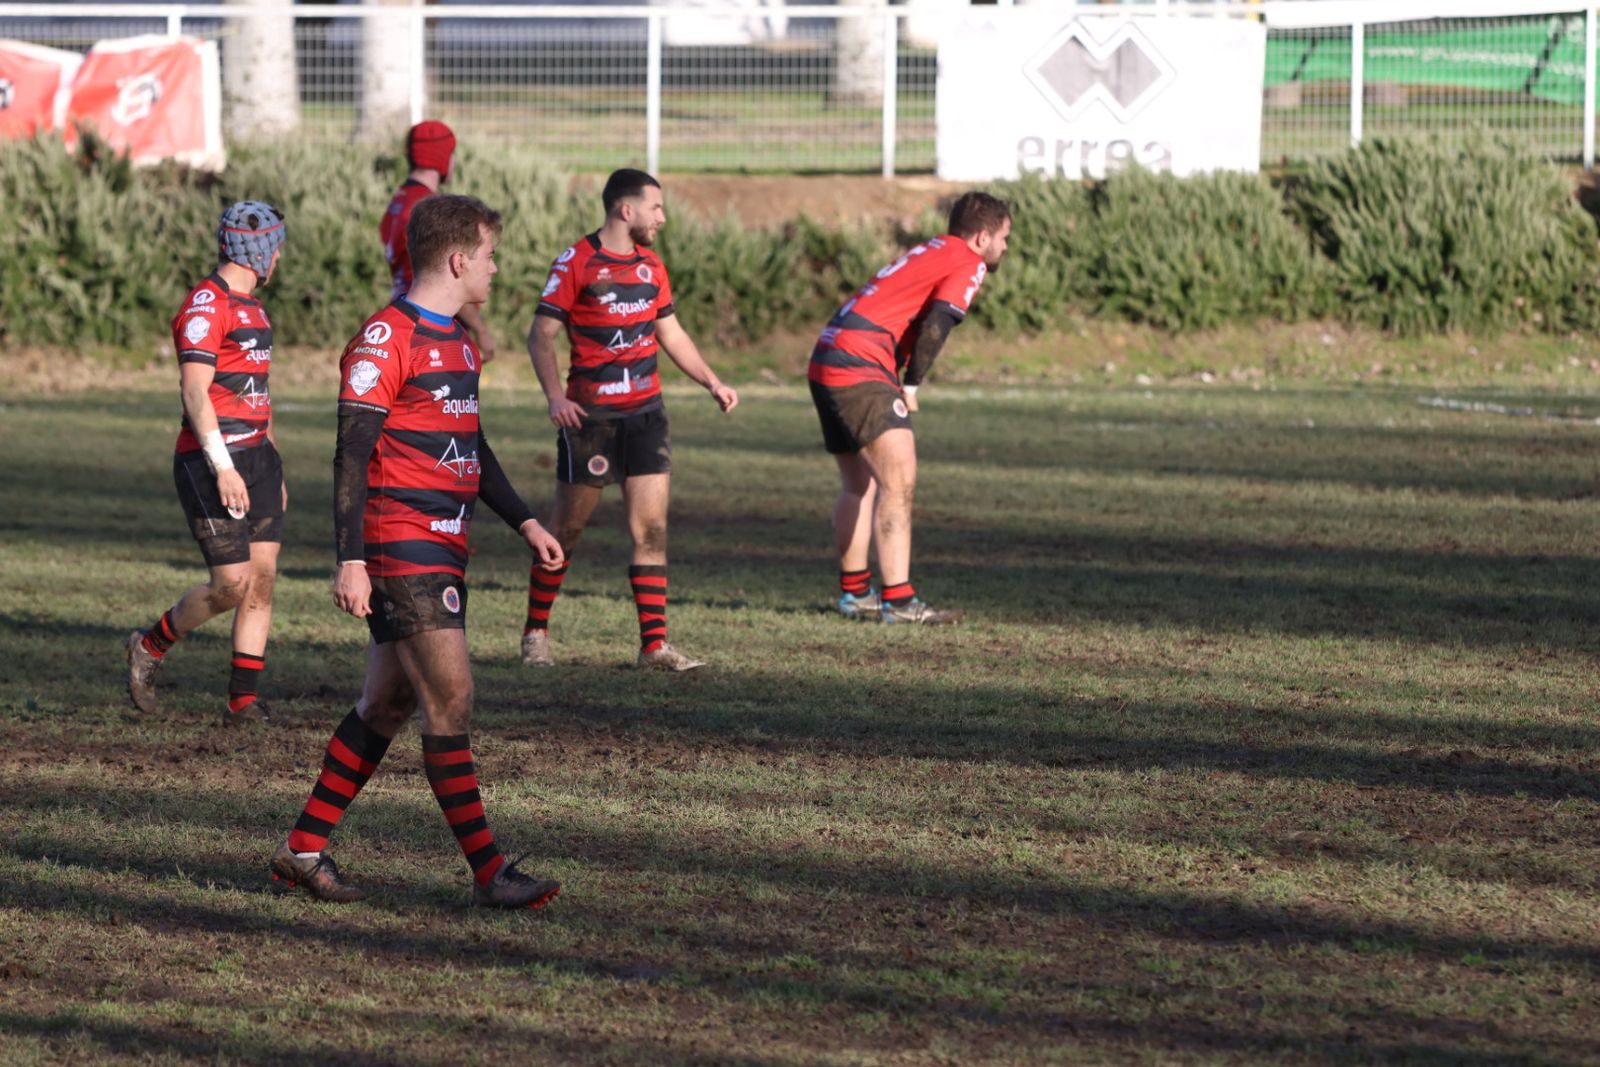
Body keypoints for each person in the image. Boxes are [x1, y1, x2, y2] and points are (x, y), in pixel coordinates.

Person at [270, 194, 565, 909]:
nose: (496, 267)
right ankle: (491, 872)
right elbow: (352, 453)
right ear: (460, 259)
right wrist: (350, 558)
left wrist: (524, 520)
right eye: (491, 255)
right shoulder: (386, 336)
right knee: (451, 697)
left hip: (445, 539)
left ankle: (302, 849)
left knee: (388, 700)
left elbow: (472, 440)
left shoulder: (461, 341)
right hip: (398, 542)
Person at [520, 168, 738, 671]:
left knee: (651, 530)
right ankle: (535, 633)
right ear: (626, 210)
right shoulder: (576, 262)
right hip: (590, 421)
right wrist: (556, 398)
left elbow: (672, 333)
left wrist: (712, 381)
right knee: (567, 530)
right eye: (655, 207)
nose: (662, 217)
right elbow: (541, 334)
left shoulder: (651, 266)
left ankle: (653, 646)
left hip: (646, 416)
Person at [807, 191, 1012, 624]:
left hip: (829, 352)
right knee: (898, 483)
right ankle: (898, 601)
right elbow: (939, 322)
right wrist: (912, 383)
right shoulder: (968, 261)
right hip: (860, 364)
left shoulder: (933, 247)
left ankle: (855, 594)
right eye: (1004, 238)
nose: (1006, 249)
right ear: (981, 237)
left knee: (857, 484)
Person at [126, 201, 288, 725]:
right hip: (209, 461)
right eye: (277, 248)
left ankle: (242, 701)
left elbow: (259, 392)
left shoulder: (256, 309)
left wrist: (273, 463)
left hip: (258, 459)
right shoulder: (206, 304)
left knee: (262, 580)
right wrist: (223, 467)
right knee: (231, 584)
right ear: (261, 251)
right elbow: (195, 392)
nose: (280, 258)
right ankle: (150, 646)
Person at [380, 120, 497, 366]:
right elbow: (445, 278)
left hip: (401, 313)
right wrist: (480, 329)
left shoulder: (399, 201)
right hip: (429, 322)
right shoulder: (429, 210)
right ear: (442, 157)